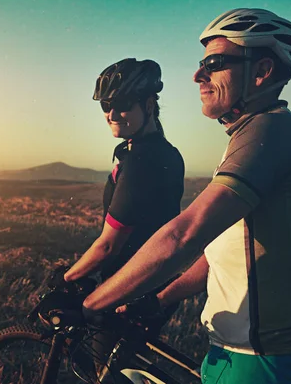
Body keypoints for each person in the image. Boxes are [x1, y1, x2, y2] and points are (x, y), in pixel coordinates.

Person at [81, 8, 291, 384]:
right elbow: (221, 251)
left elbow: (184, 234)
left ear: (263, 71)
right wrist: (160, 298)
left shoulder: (272, 130)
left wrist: (90, 304)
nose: (198, 75)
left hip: (271, 364)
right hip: (235, 355)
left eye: (214, 63)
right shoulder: (250, 138)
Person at [62, 58, 185, 369]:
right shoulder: (162, 151)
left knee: (104, 368)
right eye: (106, 105)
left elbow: (109, 245)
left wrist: (67, 277)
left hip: (132, 284)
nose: (111, 114)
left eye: (123, 105)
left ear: (149, 104)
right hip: (152, 279)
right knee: (123, 367)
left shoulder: (141, 161)